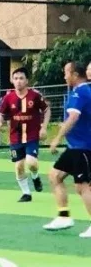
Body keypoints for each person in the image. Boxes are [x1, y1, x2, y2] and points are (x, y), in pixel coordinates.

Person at [43, 60, 91, 237]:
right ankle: (64, 217)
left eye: (66, 72)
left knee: (82, 187)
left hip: (83, 147)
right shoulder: (82, 91)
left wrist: (57, 138)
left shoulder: (80, 92)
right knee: (55, 175)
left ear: (75, 75)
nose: (64, 76)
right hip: (75, 147)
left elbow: (73, 118)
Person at [0, 67, 51, 202]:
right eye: (16, 78)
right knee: (19, 166)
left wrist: (44, 127)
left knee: (31, 163)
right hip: (15, 138)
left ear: (27, 81)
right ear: (12, 81)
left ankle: (35, 176)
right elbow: (1, 114)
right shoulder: (8, 98)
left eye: (21, 78)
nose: (18, 81)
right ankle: (26, 193)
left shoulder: (35, 96)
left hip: (32, 136)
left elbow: (46, 110)